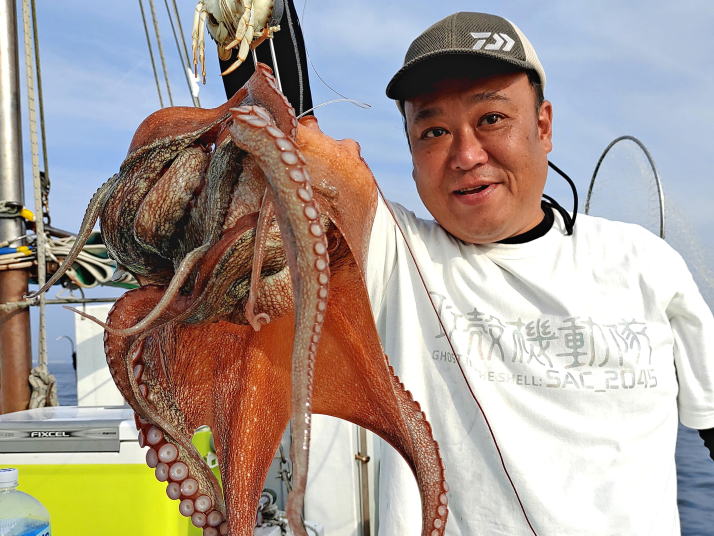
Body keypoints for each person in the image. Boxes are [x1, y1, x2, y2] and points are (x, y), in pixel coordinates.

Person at [362, 11, 714, 535]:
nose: (466, 155)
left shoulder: (645, 263)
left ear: (543, 126)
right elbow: (282, 148)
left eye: (491, 118)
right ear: (411, 153)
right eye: (434, 131)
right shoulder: (392, 254)